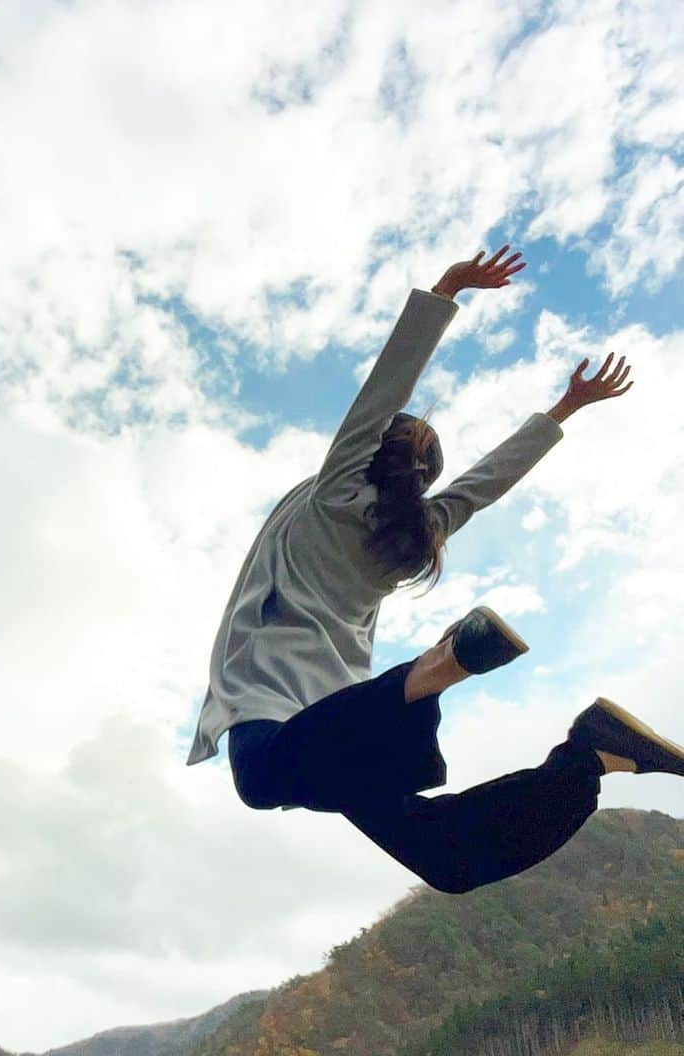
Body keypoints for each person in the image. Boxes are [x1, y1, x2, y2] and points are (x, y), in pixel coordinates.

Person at [187, 245, 683, 894]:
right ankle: (590, 755)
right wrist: (561, 411)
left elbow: (382, 390)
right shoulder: (417, 537)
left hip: (278, 705)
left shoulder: (332, 495)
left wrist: (446, 290)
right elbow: (485, 483)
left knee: (257, 781)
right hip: (344, 717)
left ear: (370, 455)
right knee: (446, 858)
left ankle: (445, 662)